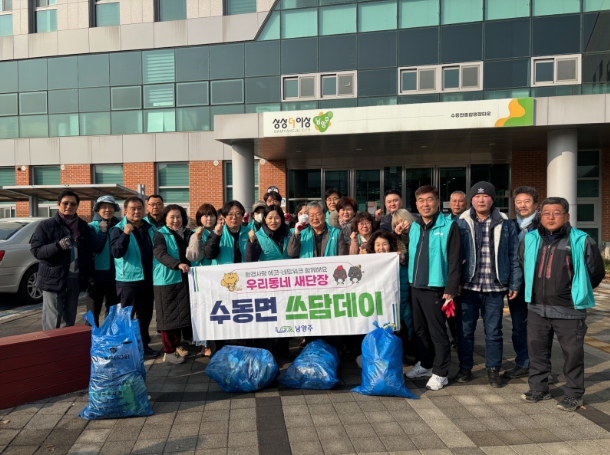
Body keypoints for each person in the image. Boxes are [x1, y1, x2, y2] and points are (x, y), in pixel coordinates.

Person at [519, 197, 605, 411]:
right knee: (537, 351)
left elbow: (595, 272)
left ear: (567, 216)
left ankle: (574, 394)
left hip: (569, 309)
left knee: (573, 354)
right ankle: (538, 388)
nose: (551, 217)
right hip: (537, 307)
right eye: (546, 213)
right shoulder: (530, 239)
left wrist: (574, 290)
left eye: (556, 213)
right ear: (540, 216)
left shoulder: (581, 240)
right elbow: (522, 263)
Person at [455, 182, 521, 387]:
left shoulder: (506, 223)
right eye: (477, 196)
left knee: (494, 331)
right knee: (465, 331)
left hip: (495, 287)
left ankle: (493, 369)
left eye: (485, 196)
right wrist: (454, 282)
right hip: (468, 286)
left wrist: (514, 283)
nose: (481, 200)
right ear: (471, 199)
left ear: (492, 199)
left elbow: (514, 255)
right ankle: (465, 368)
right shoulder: (461, 222)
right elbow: (453, 255)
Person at [403, 185, 461, 391]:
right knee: (419, 330)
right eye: (421, 200)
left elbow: (455, 260)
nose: (425, 204)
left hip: (436, 287)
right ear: (416, 204)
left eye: (429, 199)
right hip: (415, 286)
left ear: (437, 202)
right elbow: (412, 255)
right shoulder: (415, 226)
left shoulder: (449, 226)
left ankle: (441, 372)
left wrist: (451, 289)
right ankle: (426, 364)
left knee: (437, 332)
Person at [31, 190, 94, 331]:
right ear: (58, 204)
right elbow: (36, 251)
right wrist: (58, 246)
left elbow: (88, 253)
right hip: (53, 279)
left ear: (77, 206)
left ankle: (65, 345)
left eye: (73, 204)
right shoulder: (46, 225)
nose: (69, 206)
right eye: (65, 203)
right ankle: (49, 345)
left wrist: (89, 276)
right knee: (52, 322)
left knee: (70, 320)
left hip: (75, 279)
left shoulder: (83, 226)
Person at [110, 197, 158, 356]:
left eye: (139, 208)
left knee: (145, 315)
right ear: (125, 211)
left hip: (148, 279)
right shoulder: (118, 229)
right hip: (128, 281)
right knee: (127, 317)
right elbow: (116, 252)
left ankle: (143, 345)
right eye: (133, 209)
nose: (137, 211)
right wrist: (126, 234)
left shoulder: (150, 228)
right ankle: (125, 350)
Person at [503, 186, 540, 380]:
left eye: (527, 201)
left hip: (540, 286)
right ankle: (523, 362)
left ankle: (541, 365)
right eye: (518, 202)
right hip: (516, 285)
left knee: (540, 327)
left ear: (535, 204)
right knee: (518, 326)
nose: (522, 205)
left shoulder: (543, 226)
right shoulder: (508, 226)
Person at [152, 205, 193, 365]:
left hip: (184, 279)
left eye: (179, 217)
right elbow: (160, 253)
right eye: (172, 217)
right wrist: (177, 264)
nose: (176, 220)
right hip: (166, 280)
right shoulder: (160, 234)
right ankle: (168, 351)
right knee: (168, 318)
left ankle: (176, 346)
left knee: (180, 316)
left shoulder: (187, 233)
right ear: (165, 218)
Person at [186, 203, 218, 357]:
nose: (209, 218)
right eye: (205, 215)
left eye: (211, 215)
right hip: (201, 279)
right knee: (203, 311)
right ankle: (204, 344)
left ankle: (216, 342)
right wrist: (198, 238)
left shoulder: (219, 231)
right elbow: (193, 257)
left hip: (216, 278)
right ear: (199, 218)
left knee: (217, 310)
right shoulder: (195, 233)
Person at [87, 195, 121, 327]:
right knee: (93, 311)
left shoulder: (119, 226)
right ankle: (90, 337)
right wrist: (102, 231)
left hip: (115, 275)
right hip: (96, 275)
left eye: (110, 207)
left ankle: (109, 336)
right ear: (97, 210)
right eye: (104, 207)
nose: (107, 210)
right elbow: (96, 247)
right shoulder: (91, 227)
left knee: (113, 310)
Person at [202, 201, 250, 265]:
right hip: (224, 271)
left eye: (238, 213)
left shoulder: (250, 233)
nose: (234, 217)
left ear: (242, 216)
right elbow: (209, 255)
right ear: (224, 217)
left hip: (244, 270)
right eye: (230, 214)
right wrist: (217, 236)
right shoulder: (216, 232)